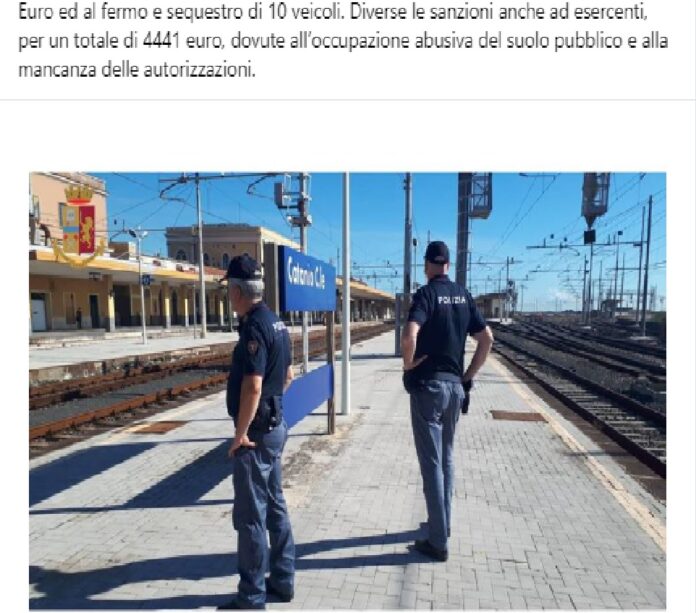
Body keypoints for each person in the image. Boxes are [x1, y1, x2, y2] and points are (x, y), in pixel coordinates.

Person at [401, 240, 494, 561]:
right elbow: (487, 339)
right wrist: (468, 376)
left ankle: (438, 542)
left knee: (431, 464)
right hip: (455, 388)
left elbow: (409, 335)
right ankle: (444, 524)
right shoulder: (463, 295)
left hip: (428, 388)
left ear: (427, 265)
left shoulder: (426, 295)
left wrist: (408, 365)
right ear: (448, 265)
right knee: (447, 458)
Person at [221, 254, 295, 610]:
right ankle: (283, 580)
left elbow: (252, 385)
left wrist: (240, 433)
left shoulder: (253, 328)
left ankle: (251, 597)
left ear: (237, 291)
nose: (228, 297)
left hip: (256, 436)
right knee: (276, 507)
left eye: (228, 291)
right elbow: (287, 376)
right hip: (275, 426)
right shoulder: (276, 322)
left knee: (251, 515)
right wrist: (271, 404)